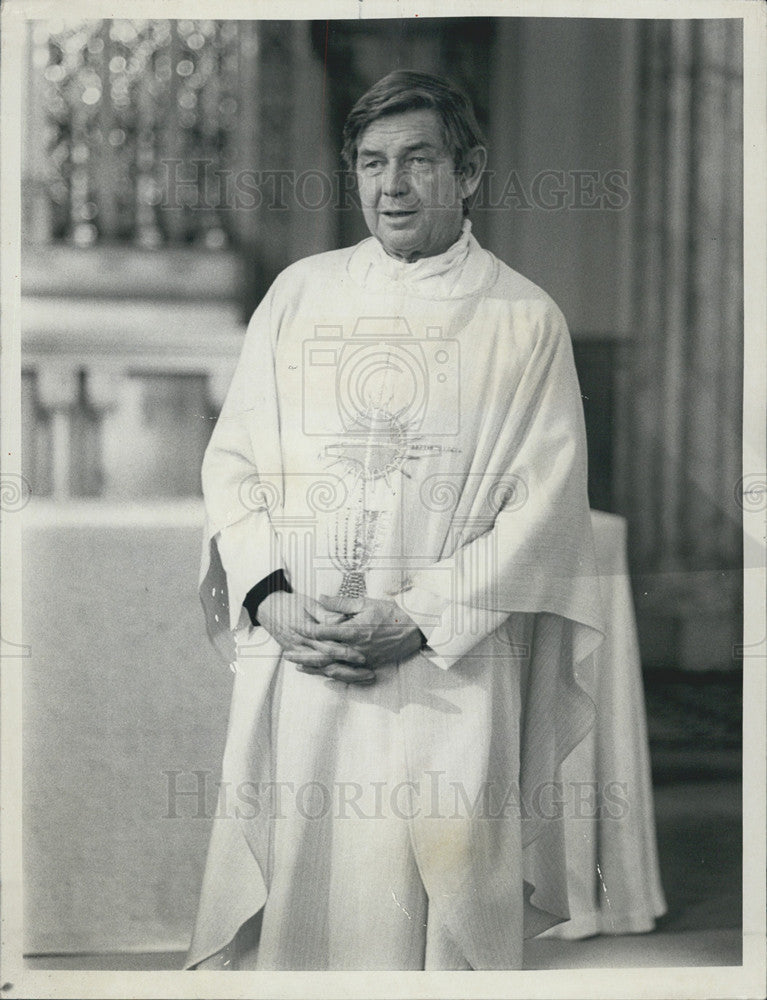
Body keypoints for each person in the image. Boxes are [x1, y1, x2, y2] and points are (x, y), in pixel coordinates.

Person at [185, 70, 604, 972]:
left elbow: (546, 509)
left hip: (447, 667)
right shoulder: (300, 295)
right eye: (372, 163)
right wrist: (266, 597)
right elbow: (233, 460)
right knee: (308, 892)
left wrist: (415, 616)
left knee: (435, 903)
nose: (392, 185)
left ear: (471, 170)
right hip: (306, 655)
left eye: (418, 160)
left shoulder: (523, 320)